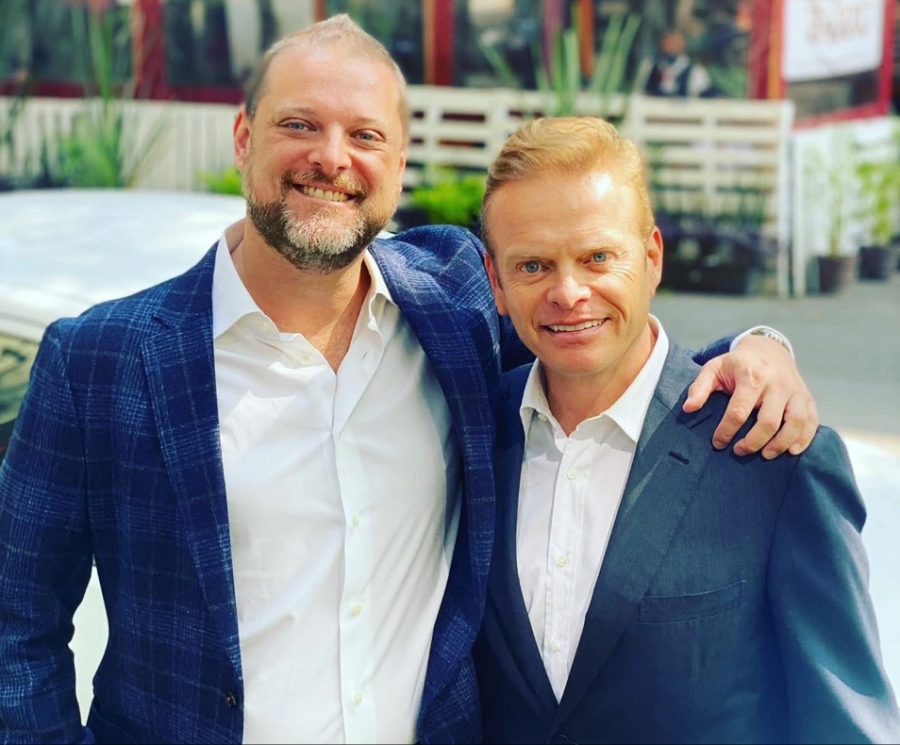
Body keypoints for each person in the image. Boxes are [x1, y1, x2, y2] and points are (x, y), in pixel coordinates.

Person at [0, 16, 818, 745]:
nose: (332, 157)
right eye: (299, 124)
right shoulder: (100, 360)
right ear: (244, 138)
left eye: (365, 134)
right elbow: (15, 623)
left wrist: (757, 347)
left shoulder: (454, 299)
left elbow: (592, 333)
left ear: (397, 163)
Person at [474, 116, 900, 743]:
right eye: (534, 266)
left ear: (651, 258)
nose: (569, 292)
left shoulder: (773, 453)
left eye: (598, 258)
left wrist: (764, 340)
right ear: (496, 282)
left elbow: (846, 726)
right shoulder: (470, 433)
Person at [641, 27, 715, 98]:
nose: (671, 46)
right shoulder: (650, 67)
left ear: (683, 45)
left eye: (675, 43)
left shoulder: (696, 71)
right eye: (668, 42)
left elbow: (704, 99)